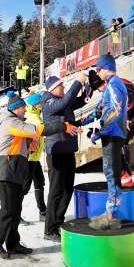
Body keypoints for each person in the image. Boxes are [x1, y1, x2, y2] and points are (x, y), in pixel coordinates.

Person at [0, 91, 80, 259]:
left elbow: (19, 143)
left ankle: (13, 244)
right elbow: (37, 129)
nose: (25, 110)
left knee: (15, 210)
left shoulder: (15, 121)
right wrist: (63, 126)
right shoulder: (11, 121)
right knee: (8, 210)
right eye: (23, 107)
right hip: (5, 170)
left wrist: (29, 144)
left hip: (14, 169)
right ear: (16, 108)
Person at [42, 73, 89, 242]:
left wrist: (88, 88)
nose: (63, 88)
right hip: (56, 152)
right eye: (61, 86)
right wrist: (78, 82)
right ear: (53, 88)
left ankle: (59, 222)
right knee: (56, 191)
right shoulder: (48, 101)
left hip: (68, 149)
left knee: (68, 188)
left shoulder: (62, 102)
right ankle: (49, 229)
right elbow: (66, 101)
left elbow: (80, 101)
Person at [87, 69, 134, 186]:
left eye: (98, 89)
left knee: (119, 141)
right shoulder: (110, 88)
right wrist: (79, 122)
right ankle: (123, 176)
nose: (99, 92)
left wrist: (101, 132)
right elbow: (100, 110)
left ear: (102, 84)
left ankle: (125, 177)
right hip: (130, 112)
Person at [87, 54, 128, 230]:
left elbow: (116, 112)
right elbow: (102, 110)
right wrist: (84, 122)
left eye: (98, 69)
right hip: (111, 134)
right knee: (110, 171)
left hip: (113, 134)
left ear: (105, 68)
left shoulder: (114, 84)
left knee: (111, 173)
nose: (98, 73)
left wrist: (100, 131)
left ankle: (112, 216)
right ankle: (111, 213)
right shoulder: (113, 84)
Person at [23, 92, 47, 221]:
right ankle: (15, 214)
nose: (42, 105)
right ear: (34, 106)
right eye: (40, 103)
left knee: (39, 183)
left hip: (35, 158)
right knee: (24, 188)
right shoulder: (33, 119)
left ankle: (43, 211)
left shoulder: (35, 117)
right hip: (30, 159)